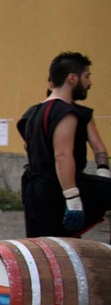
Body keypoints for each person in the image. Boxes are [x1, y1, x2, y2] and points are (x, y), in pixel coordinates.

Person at [17, 52, 111, 239]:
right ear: (72, 78)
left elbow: (99, 149)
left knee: (47, 247)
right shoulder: (67, 113)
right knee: (58, 245)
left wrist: (103, 179)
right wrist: (73, 198)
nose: (89, 83)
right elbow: (62, 156)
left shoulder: (31, 114)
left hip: (34, 191)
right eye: (87, 76)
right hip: (59, 188)